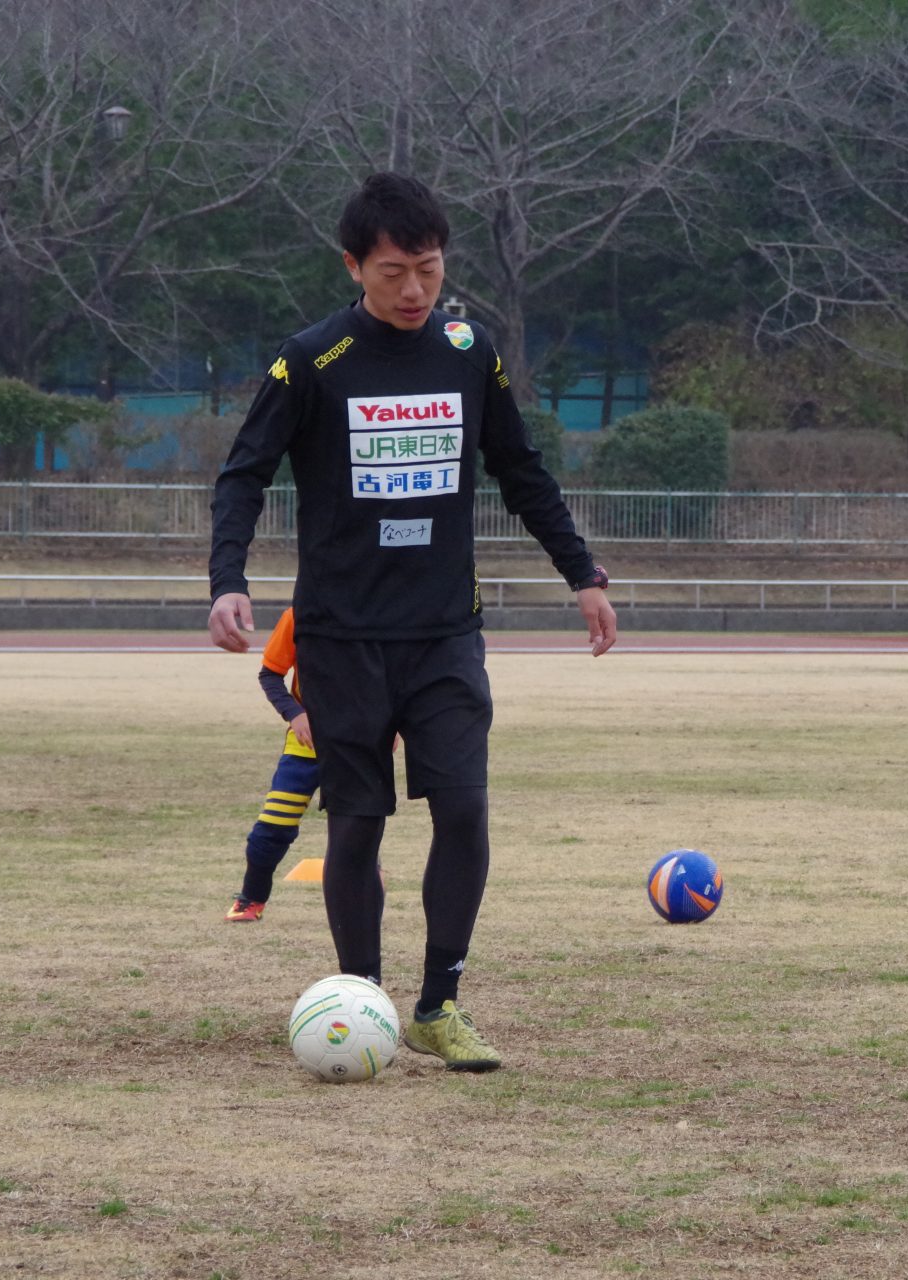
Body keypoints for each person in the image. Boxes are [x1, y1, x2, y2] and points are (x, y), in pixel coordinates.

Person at [208, 172, 616, 1072]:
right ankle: (364, 1001)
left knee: (464, 811)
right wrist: (227, 580)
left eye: (427, 268)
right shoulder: (312, 360)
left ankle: (439, 1003)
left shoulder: (470, 352)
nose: (413, 290)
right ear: (354, 265)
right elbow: (243, 473)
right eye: (393, 271)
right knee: (357, 822)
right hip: (341, 639)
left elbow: (521, 468)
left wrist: (580, 572)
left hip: (443, 635)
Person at [222, 606, 385, 924]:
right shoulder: (297, 616)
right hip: (305, 748)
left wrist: (392, 725)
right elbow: (270, 674)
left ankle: (368, 887)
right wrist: (295, 714)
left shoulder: (380, 612)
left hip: (361, 746)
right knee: (270, 831)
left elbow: (396, 679)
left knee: (357, 828)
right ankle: (251, 898)